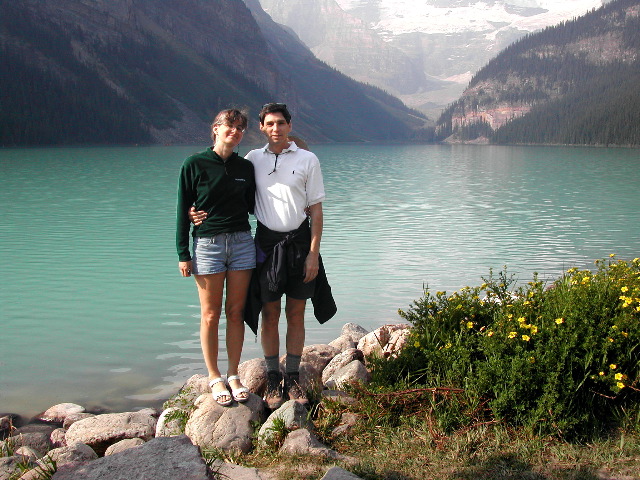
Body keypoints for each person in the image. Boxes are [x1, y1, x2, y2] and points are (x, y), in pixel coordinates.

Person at [190, 103, 336, 409]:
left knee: (296, 313)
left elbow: (318, 211)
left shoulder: (308, 159)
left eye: (281, 123)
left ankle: (292, 377)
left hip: (299, 244)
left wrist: (313, 254)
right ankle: (272, 379)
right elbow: (228, 189)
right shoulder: (252, 159)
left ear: (289, 125)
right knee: (270, 314)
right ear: (261, 128)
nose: (276, 128)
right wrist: (197, 211)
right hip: (267, 246)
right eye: (270, 123)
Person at [176, 108, 256, 406]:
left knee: (236, 313)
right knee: (210, 314)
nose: (234, 132)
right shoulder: (194, 164)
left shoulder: (245, 167)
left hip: (241, 243)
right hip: (207, 245)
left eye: (240, 128)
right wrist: (183, 253)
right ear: (216, 129)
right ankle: (214, 376)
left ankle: (233, 374)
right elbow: (182, 209)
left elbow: (255, 204)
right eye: (229, 126)